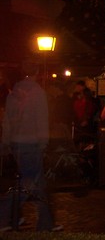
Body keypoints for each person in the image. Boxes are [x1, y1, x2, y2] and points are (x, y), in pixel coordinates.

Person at [0, 62, 62, 232]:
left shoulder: (13, 94)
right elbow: (41, 119)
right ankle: (5, 217)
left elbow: (7, 121)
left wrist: (6, 143)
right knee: (30, 184)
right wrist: (44, 142)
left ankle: (45, 222)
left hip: (16, 143)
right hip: (31, 143)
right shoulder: (37, 93)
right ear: (37, 72)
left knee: (36, 183)